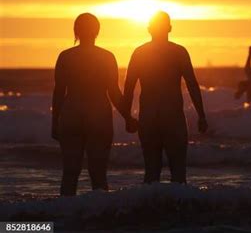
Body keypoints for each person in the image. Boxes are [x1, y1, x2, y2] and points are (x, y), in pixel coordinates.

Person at [52, 13, 134, 196]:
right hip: (98, 115)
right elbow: (113, 92)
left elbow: (59, 92)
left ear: (76, 31)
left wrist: (54, 121)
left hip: (71, 114)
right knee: (98, 175)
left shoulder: (66, 56)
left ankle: (65, 218)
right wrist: (128, 117)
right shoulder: (106, 57)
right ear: (97, 31)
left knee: (70, 173)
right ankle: (100, 218)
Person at [123, 11, 207, 184]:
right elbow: (192, 84)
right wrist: (201, 115)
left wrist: (127, 117)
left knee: (151, 173)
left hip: (149, 117)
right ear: (169, 28)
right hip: (173, 117)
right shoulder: (179, 52)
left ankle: (152, 209)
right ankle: (177, 209)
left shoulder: (140, 53)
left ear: (148, 29)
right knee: (178, 174)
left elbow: (129, 86)